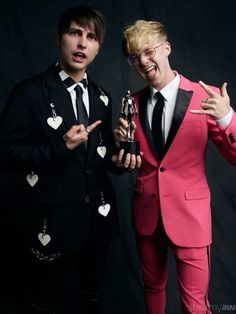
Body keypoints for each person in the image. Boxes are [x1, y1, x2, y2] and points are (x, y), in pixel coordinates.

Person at [0, 5, 120, 314]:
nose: (82, 44)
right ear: (59, 39)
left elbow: (99, 159)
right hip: (47, 221)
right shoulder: (29, 92)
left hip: (97, 219)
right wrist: (59, 148)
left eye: (91, 37)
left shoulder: (102, 97)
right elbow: (5, 151)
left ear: (98, 48)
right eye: (75, 33)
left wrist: (120, 162)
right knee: (43, 302)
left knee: (91, 298)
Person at [113, 19, 236, 313]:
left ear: (166, 48)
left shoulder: (204, 97)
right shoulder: (131, 103)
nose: (143, 61)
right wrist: (121, 151)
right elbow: (128, 162)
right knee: (152, 292)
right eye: (134, 57)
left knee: (195, 305)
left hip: (190, 217)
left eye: (148, 51)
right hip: (147, 213)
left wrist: (226, 117)